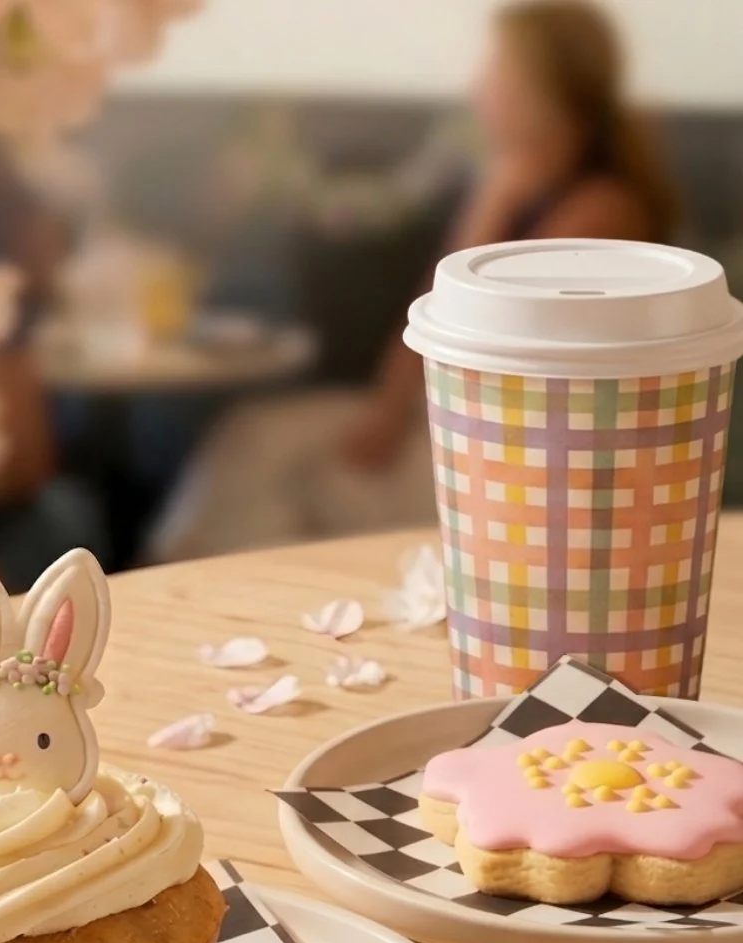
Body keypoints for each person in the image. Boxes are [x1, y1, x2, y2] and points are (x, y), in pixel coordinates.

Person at [149, 0, 681, 563]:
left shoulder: (602, 208)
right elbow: (429, 310)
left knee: (316, 481)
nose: (478, 88)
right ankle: (179, 573)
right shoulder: (518, 181)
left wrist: (494, 203)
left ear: (544, 88)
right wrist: (386, 410)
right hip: (448, 415)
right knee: (254, 436)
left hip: (525, 449)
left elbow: (476, 320)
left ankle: (219, 581)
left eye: (496, 70)